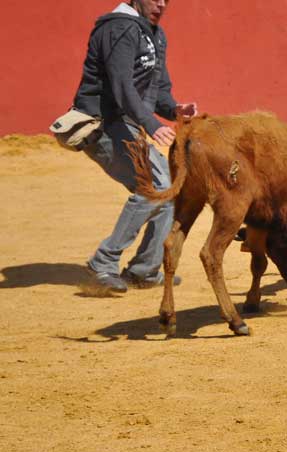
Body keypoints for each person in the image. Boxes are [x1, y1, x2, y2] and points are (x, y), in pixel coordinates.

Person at [72, 0, 197, 292]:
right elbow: (121, 87)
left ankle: (143, 269)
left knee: (165, 191)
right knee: (154, 187)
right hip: (101, 124)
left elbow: (159, 90)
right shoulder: (118, 28)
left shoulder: (154, 33)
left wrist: (175, 110)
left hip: (126, 125)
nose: (162, 4)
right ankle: (103, 261)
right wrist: (152, 125)